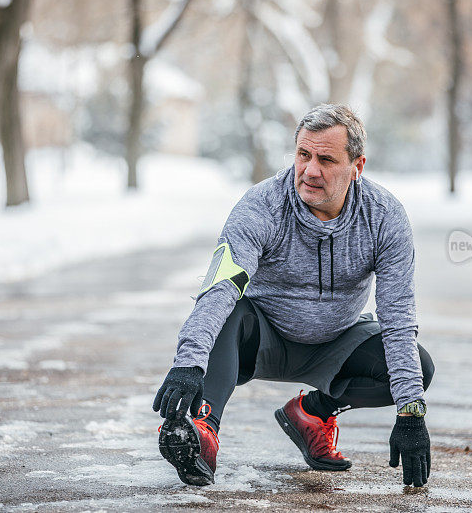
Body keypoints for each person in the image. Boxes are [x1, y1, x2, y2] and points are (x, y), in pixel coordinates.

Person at [153, 103, 435, 488]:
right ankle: (203, 431)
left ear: (358, 166)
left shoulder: (385, 217)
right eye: (303, 154)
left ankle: (312, 413)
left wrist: (411, 413)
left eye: (326, 159)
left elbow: (397, 316)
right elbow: (219, 287)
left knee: (420, 366)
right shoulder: (262, 205)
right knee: (229, 306)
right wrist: (188, 365)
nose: (310, 170)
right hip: (257, 340)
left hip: (335, 343)